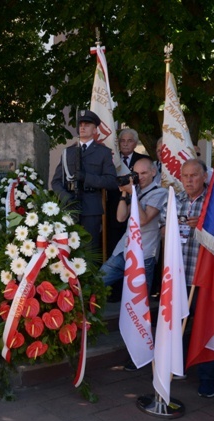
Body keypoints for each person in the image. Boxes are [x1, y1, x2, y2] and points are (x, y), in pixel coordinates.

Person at [176, 159, 214, 397]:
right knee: (176, 326)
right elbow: (163, 229)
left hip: (204, 277)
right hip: (177, 276)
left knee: (205, 328)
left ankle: (207, 378)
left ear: (204, 177)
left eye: (194, 176)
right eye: (185, 176)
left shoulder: (212, 204)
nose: (189, 180)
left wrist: (203, 227)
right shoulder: (175, 201)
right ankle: (177, 367)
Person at [100, 157, 167, 302]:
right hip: (123, 250)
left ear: (153, 172)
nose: (140, 177)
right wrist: (124, 193)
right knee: (97, 283)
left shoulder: (160, 192)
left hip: (144, 253)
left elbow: (143, 220)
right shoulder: (135, 190)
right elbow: (120, 217)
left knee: (139, 300)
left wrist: (133, 194)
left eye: (144, 173)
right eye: (136, 174)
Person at [51, 110, 118, 253]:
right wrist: (65, 198)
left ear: (95, 129)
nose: (82, 127)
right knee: (67, 249)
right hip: (69, 206)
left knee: (89, 249)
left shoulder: (103, 152)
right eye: (80, 124)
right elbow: (56, 182)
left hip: (91, 207)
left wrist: (86, 177)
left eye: (87, 124)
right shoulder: (67, 152)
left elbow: (111, 181)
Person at [105, 129, 146, 257]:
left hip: (137, 207)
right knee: (114, 248)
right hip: (113, 207)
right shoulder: (110, 160)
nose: (125, 144)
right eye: (122, 141)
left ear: (135, 143)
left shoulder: (144, 160)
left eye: (129, 141)